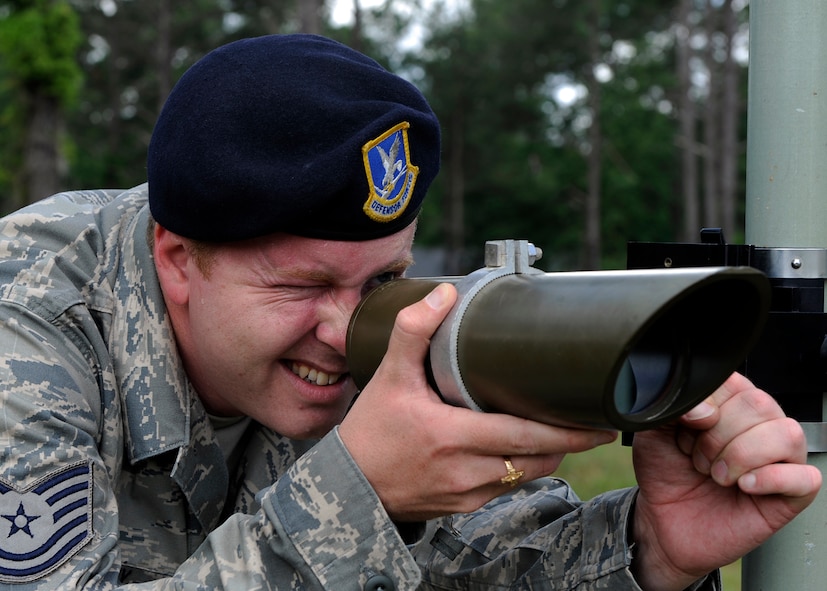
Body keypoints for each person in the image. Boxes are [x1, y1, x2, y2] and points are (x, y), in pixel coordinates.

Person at [0, 33, 819, 591]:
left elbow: (466, 561)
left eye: (382, 277)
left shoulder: (380, 329)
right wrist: (353, 497)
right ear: (179, 258)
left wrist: (646, 546)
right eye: (299, 285)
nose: (344, 329)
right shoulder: (28, 328)